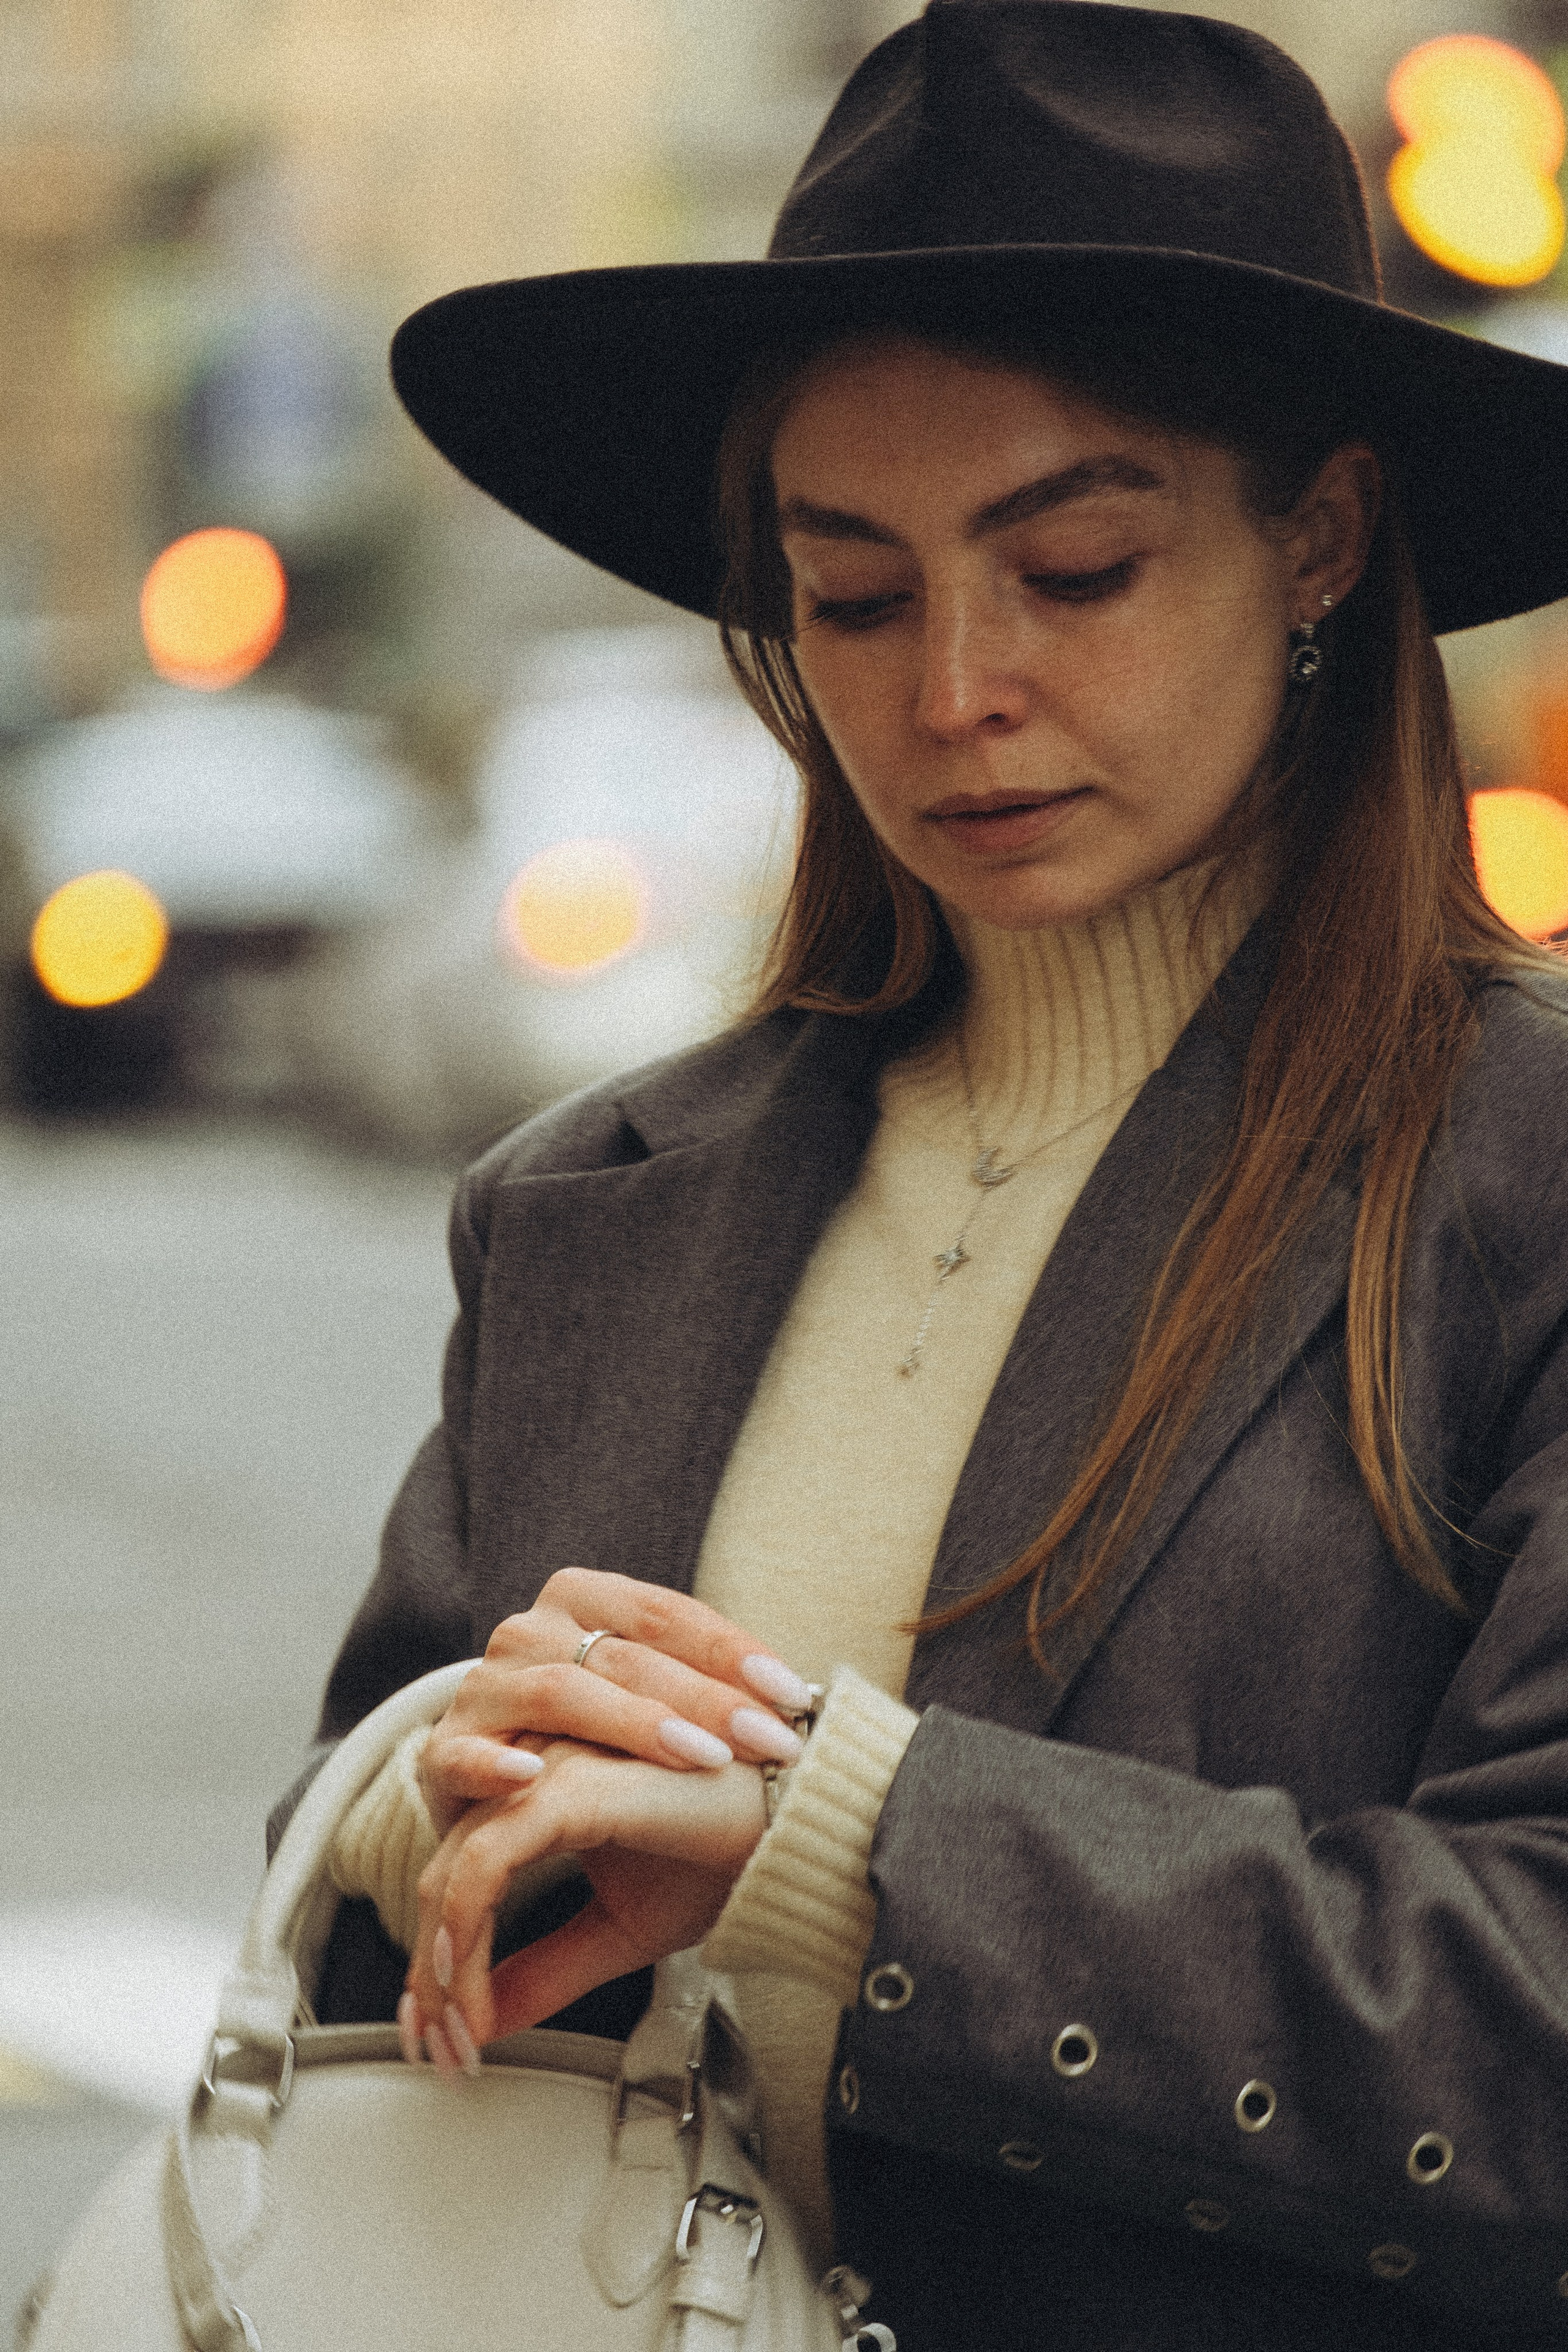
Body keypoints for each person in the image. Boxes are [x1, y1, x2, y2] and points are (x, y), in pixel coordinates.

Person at [271, 6, 1568, 2346]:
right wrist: (411, 1801)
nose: (950, 684)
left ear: (1326, 539)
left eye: (1071, 567)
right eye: (849, 594)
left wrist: (848, 1841)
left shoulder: (1524, 1185)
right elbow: (358, 1870)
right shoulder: (593, 1201)